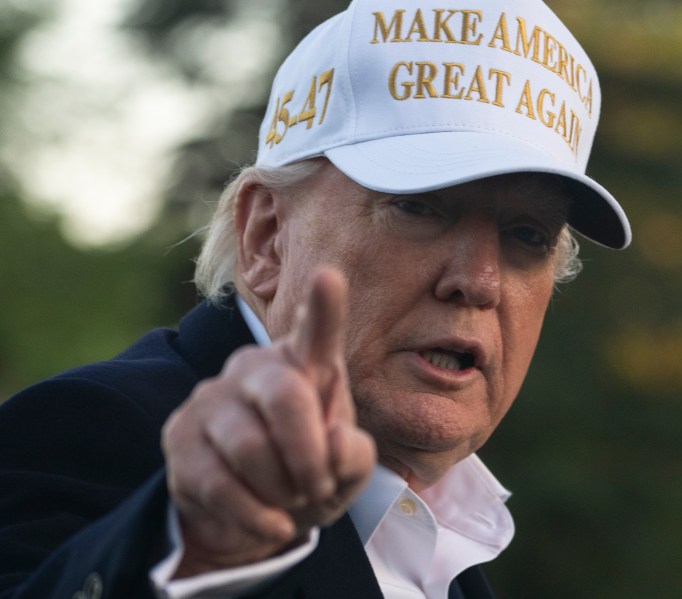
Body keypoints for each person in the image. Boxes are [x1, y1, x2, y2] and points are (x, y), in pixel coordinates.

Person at [0, 0, 631, 596]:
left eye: (528, 235)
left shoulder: (444, 543)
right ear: (266, 236)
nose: (479, 281)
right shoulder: (94, 430)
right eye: (419, 206)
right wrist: (191, 551)